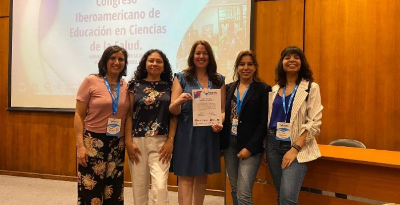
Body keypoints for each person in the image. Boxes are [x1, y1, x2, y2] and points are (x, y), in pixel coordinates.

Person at [264, 46, 323, 205]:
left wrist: (295, 148)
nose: (291, 60)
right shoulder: (275, 89)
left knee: (288, 197)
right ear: (281, 63)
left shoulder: (311, 87)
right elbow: (269, 120)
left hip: (297, 145)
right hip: (273, 145)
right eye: (287, 57)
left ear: (301, 62)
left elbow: (314, 123)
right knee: (281, 193)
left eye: (296, 57)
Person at [169, 40, 226, 205]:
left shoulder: (218, 80)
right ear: (192, 56)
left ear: (210, 56)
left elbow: (222, 110)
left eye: (205, 53)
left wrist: (220, 122)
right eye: (198, 53)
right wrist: (179, 101)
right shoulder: (181, 78)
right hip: (186, 131)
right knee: (186, 176)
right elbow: (172, 109)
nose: (201, 56)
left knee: (202, 175)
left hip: (208, 132)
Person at [75, 45, 130, 205]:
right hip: (93, 142)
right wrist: (80, 146)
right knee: (90, 188)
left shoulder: (126, 86)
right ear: (105, 61)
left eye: (121, 59)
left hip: (117, 143)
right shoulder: (91, 81)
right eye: (112, 58)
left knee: (114, 188)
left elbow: (127, 116)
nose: (117, 62)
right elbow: (79, 115)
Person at [125, 49, 177, 205]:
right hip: (137, 141)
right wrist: (128, 142)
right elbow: (128, 115)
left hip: (161, 141)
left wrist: (170, 141)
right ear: (145, 64)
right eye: (151, 61)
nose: (154, 64)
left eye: (158, 61)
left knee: (160, 187)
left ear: (164, 65)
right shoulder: (134, 85)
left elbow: (174, 115)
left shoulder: (170, 86)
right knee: (139, 188)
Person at [221, 50, 271, 205]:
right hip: (230, 144)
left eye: (250, 64)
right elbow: (224, 115)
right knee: (235, 188)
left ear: (255, 67)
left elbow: (264, 123)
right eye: (242, 64)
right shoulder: (229, 88)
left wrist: (250, 148)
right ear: (237, 67)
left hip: (251, 146)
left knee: (243, 193)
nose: (246, 67)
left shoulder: (263, 89)